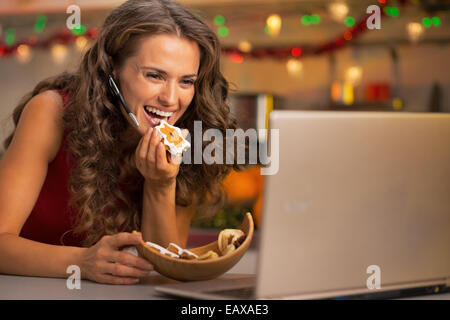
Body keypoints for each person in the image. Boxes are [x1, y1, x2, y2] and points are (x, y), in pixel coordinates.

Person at [0, 0, 241, 285]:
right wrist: (80, 262)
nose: (171, 99)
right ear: (113, 71)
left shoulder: (186, 137)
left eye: (186, 81)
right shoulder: (51, 112)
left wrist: (160, 183)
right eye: (154, 75)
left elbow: (166, 263)